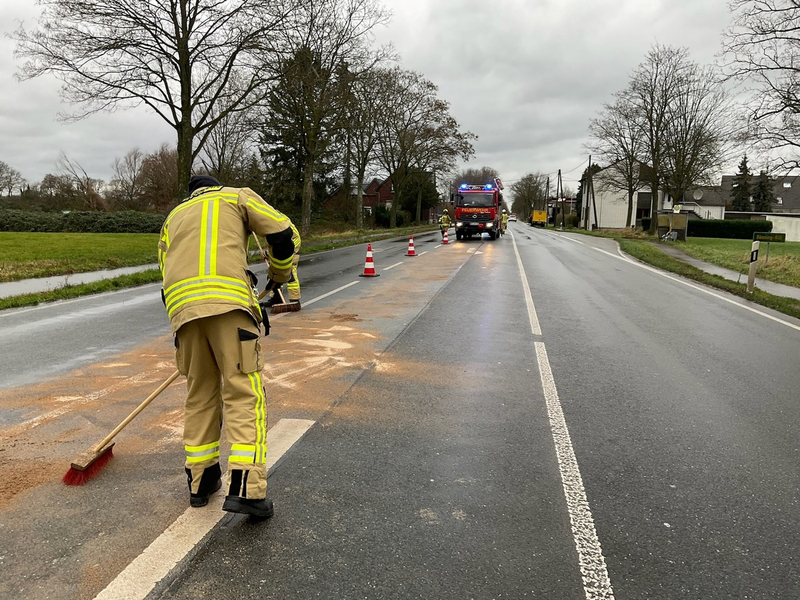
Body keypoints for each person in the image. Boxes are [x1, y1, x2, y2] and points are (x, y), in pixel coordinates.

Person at [158, 174, 297, 519]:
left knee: (200, 393)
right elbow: (283, 234)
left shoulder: (172, 219)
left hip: (183, 315)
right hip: (230, 309)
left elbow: (165, 271)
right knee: (243, 391)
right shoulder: (236, 197)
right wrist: (279, 277)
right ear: (214, 185)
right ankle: (246, 490)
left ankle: (201, 482)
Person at [263, 222, 301, 308]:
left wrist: (268, 254)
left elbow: (282, 243)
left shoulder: (279, 225)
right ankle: (276, 298)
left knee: (290, 275)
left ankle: (294, 299)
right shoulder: (271, 222)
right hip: (282, 244)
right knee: (274, 273)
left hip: (291, 246)